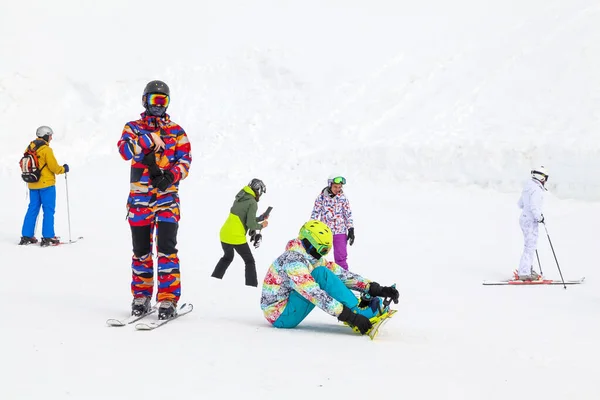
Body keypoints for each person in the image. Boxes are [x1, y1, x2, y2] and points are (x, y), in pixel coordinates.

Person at [117, 80, 192, 320]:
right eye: (154, 100)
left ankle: (168, 299)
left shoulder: (177, 131)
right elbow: (124, 151)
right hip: (139, 201)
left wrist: (172, 175)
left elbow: (185, 160)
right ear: (145, 101)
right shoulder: (133, 128)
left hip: (167, 199)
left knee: (167, 249)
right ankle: (141, 295)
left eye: (163, 101)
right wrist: (147, 140)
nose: (159, 106)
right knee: (141, 251)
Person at [260, 220, 399, 334]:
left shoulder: (310, 257)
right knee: (321, 274)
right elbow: (314, 294)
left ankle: (357, 306)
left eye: (326, 250)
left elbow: (341, 275)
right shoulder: (293, 263)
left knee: (324, 272)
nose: (322, 255)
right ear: (309, 244)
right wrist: (351, 317)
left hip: (289, 305)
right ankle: (356, 310)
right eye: (321, 250)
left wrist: (374, 288)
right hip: (281, 315)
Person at [211, 178, 269, 287]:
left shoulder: (240, 197)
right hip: (236, 236)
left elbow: (244, 218)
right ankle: (251, 286)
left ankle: (215, 280)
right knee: (249, 261)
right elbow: (250, 224)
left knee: (227, 257)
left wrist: (260, 218)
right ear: (258, 190)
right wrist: (262, 225)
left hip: (224, 233)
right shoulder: (252, 202)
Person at [19, 126, 69, 247]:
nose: (51, 137)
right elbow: (54, 168)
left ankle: (26, 236)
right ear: (46, 135)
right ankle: (48, 237)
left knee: (32, 209)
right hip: (47, 185)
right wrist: (64, 169)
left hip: (32, 184)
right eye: (50, 135)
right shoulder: (46, 150)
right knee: (48, 210)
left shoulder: (30, 147)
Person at [310, 174, 355, 270]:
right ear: (330, 185)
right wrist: (311, 228)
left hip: (340, 231)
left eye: (339, 187)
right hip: (325, 231)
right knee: (316, 255)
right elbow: (315, 213)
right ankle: (316, 275)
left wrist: (350, 229)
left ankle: (344, 279)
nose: (337, 189)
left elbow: (347, 214)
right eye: (335, 186)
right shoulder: (321, 198)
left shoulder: (343, 198)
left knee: (341, 257)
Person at [515, 166, 548, 281]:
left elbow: (520, 204)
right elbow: (534, 207)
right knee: (530, 246)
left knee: (529, 245)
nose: (545, 180)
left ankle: (526, 269)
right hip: (530, 220)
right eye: (544, 178)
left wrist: (529, 210)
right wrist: (539, 217)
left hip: (524, 219)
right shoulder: (537, 190)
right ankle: (524, 272)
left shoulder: (528, 187)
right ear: (540, 177)